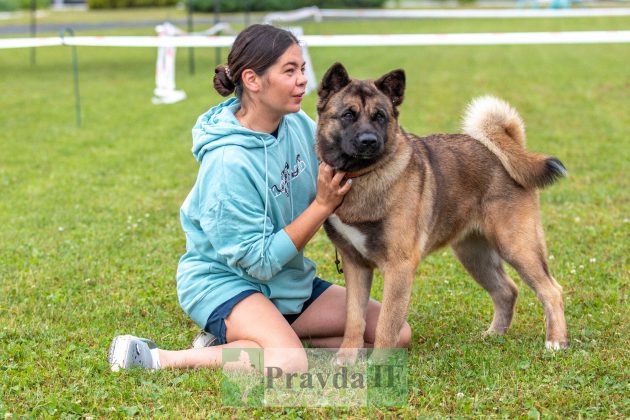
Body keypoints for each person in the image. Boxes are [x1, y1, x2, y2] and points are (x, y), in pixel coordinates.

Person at [108, 24, 411, 374]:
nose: (302, 80)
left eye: (302, 69)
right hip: (227, 283)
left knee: (396, 335)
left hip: (287, 283)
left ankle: (249, 340)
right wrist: (322, 207)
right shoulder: (227, 162)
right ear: (252, 79)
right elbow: (260, 262)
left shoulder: (297, 124)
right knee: (290, 362)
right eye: (290, 71)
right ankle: (161, 358)